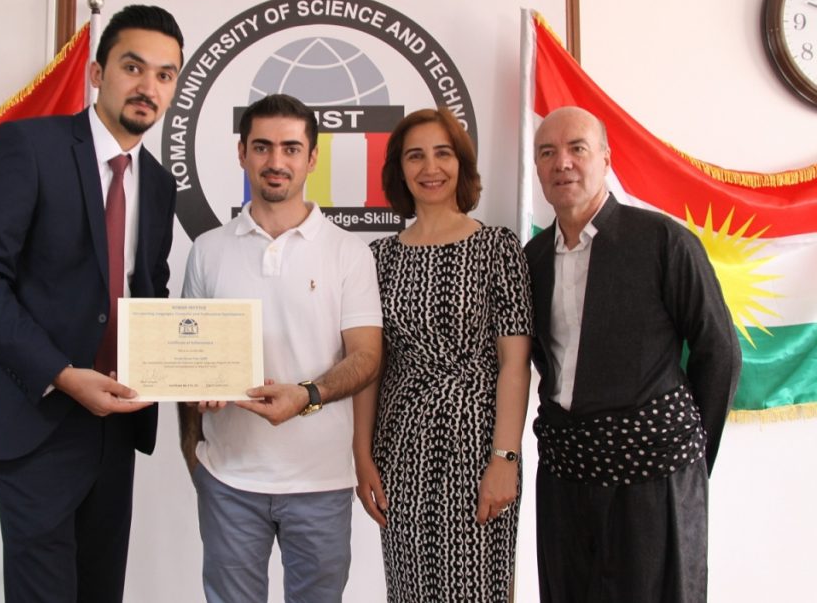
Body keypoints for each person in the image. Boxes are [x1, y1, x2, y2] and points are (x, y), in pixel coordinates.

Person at [0, 4, 183, 602]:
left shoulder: (160, 184)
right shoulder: (29, 146)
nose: (148, 86)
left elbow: (148, 292)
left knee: (101, 590)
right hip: (36, 417)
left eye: (164, 75)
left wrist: (192, 371)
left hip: (117, 425)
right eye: (133, 67)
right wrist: (60, 373)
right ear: (98, 73)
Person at [524, 106, 741, 603]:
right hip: (565, 472)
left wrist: (685, 454)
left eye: (577, 148)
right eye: (547, 152)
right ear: (537, 167)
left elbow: (720, 351)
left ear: (605, 158)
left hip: (653, 474)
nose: (562, 163)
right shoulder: (531, 260)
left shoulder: (663, 241)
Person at [180, 93, 383, 603]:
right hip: (228, 480)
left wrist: (306, 396)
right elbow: (187, 359)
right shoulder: (207, 250)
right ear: (242, 153)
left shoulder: (349, 252)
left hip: (321, 482)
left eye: (291, 148)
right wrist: (193, 453)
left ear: (312, 158)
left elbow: (366, 357)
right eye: (262, 147)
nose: (276, 161)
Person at [353, 107, 534, 602]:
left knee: (479, 587)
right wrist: (362, 456)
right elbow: (371, 368)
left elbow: (515, 364)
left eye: (442, 153)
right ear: (399, 169)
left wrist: (505, 458)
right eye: (415, 156)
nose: (430, 168)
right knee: (410, 588)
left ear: (461, 163)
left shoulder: (498, 247)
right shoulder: (379, 258)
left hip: (478, 447)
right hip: (401, 450)